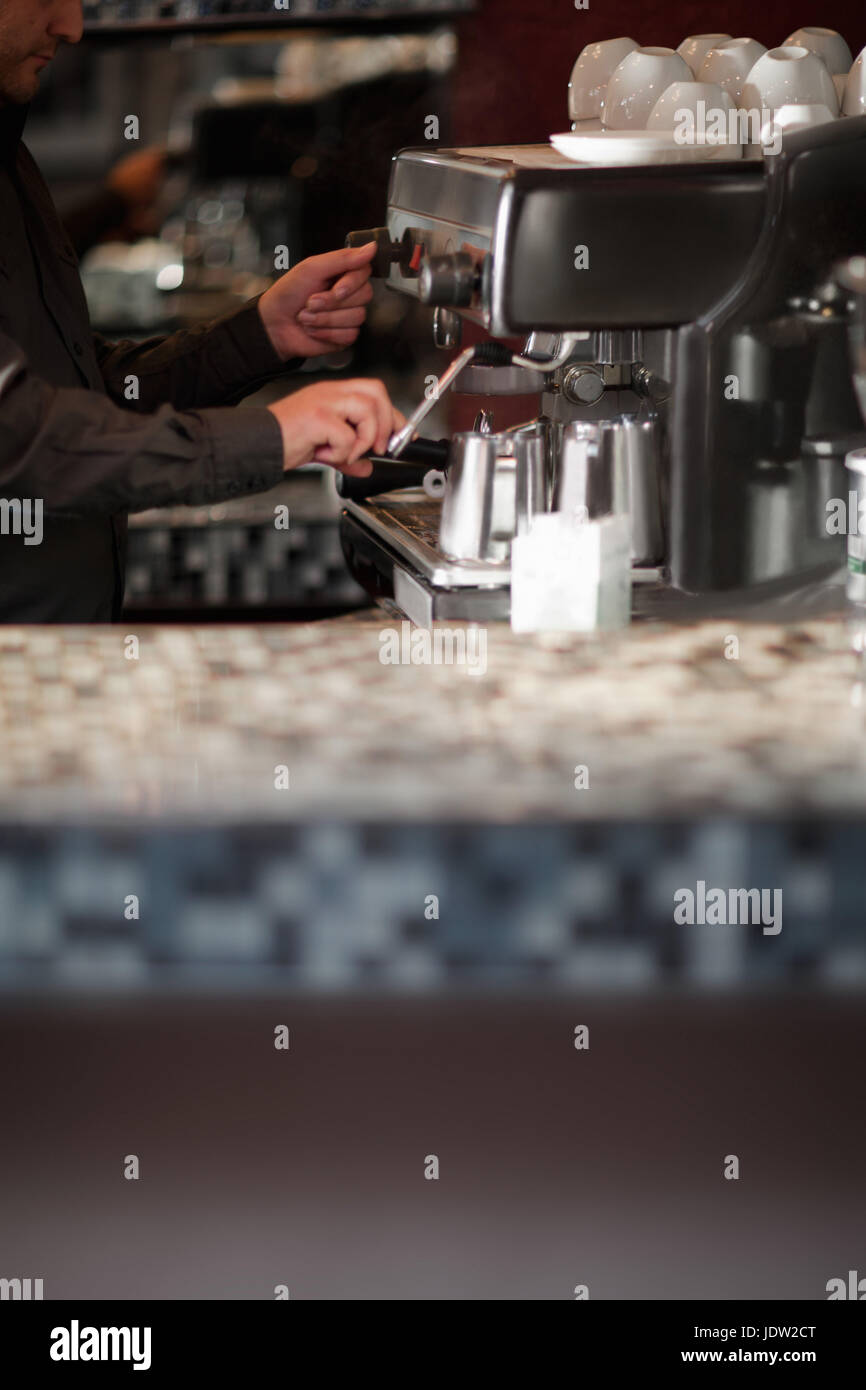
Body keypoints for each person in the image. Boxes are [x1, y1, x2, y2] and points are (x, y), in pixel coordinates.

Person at [0, 0, 400, 622]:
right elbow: (22, 435)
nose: (72, 25)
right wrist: (274, 435)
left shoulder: (11, 163)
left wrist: (260, 334)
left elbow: (78, 391)